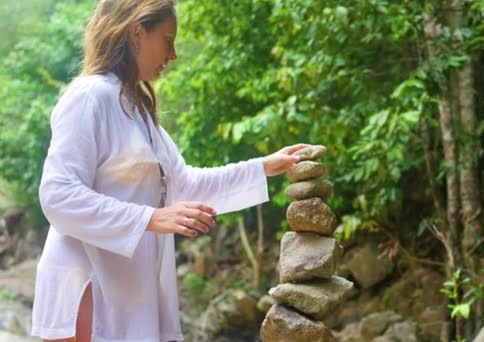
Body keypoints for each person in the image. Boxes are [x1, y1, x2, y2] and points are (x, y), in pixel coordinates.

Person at [30, 0, 308, 341]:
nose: (173, 54)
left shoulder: (138, 111)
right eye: (167, 39)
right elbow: (58, 195)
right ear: (136, 34)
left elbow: (187, 185)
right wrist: (150, 218)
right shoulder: (89, 96)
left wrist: (265, 166)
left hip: (130, 288)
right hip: (87, 283)